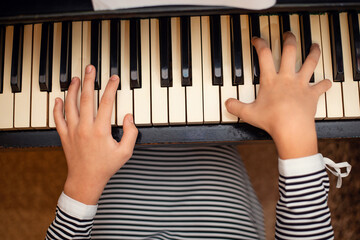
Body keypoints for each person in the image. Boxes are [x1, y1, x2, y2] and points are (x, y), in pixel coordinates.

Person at [45, 32, 349, 239]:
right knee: (209, 118)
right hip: (216, 175)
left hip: (104, 177)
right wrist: (296, 136)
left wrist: (82, 185)